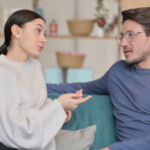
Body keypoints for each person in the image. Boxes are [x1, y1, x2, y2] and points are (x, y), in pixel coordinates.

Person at [47, 7, 150, 150]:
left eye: (131, 35)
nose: (123, 43)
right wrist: (34, 86)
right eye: (122, 36)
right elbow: (79, 89)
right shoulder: (118, 72)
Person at [0, 9, 92, 150]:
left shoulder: (35, 66)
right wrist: (57, 107)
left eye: (44, 33)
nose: (44, 39)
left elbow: (39, 105)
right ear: (16, 31)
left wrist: (59, 108)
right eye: (38, 31)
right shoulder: (3, 71)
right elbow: (18, 130)